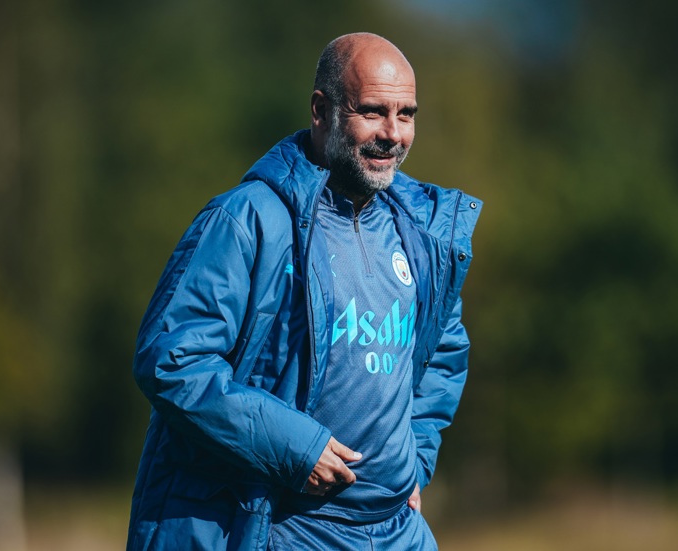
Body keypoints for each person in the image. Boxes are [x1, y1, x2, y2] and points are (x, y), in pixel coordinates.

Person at [126, 32, 482, 551]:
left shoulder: (422, 236)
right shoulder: (249, 218)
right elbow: (173, 358)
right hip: (285, 529)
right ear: (322, 111)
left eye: (406, 114)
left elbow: (442, 355)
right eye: (373, 112)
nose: (393, 133)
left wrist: (415, 460)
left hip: (397, 533)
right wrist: (297, 447)